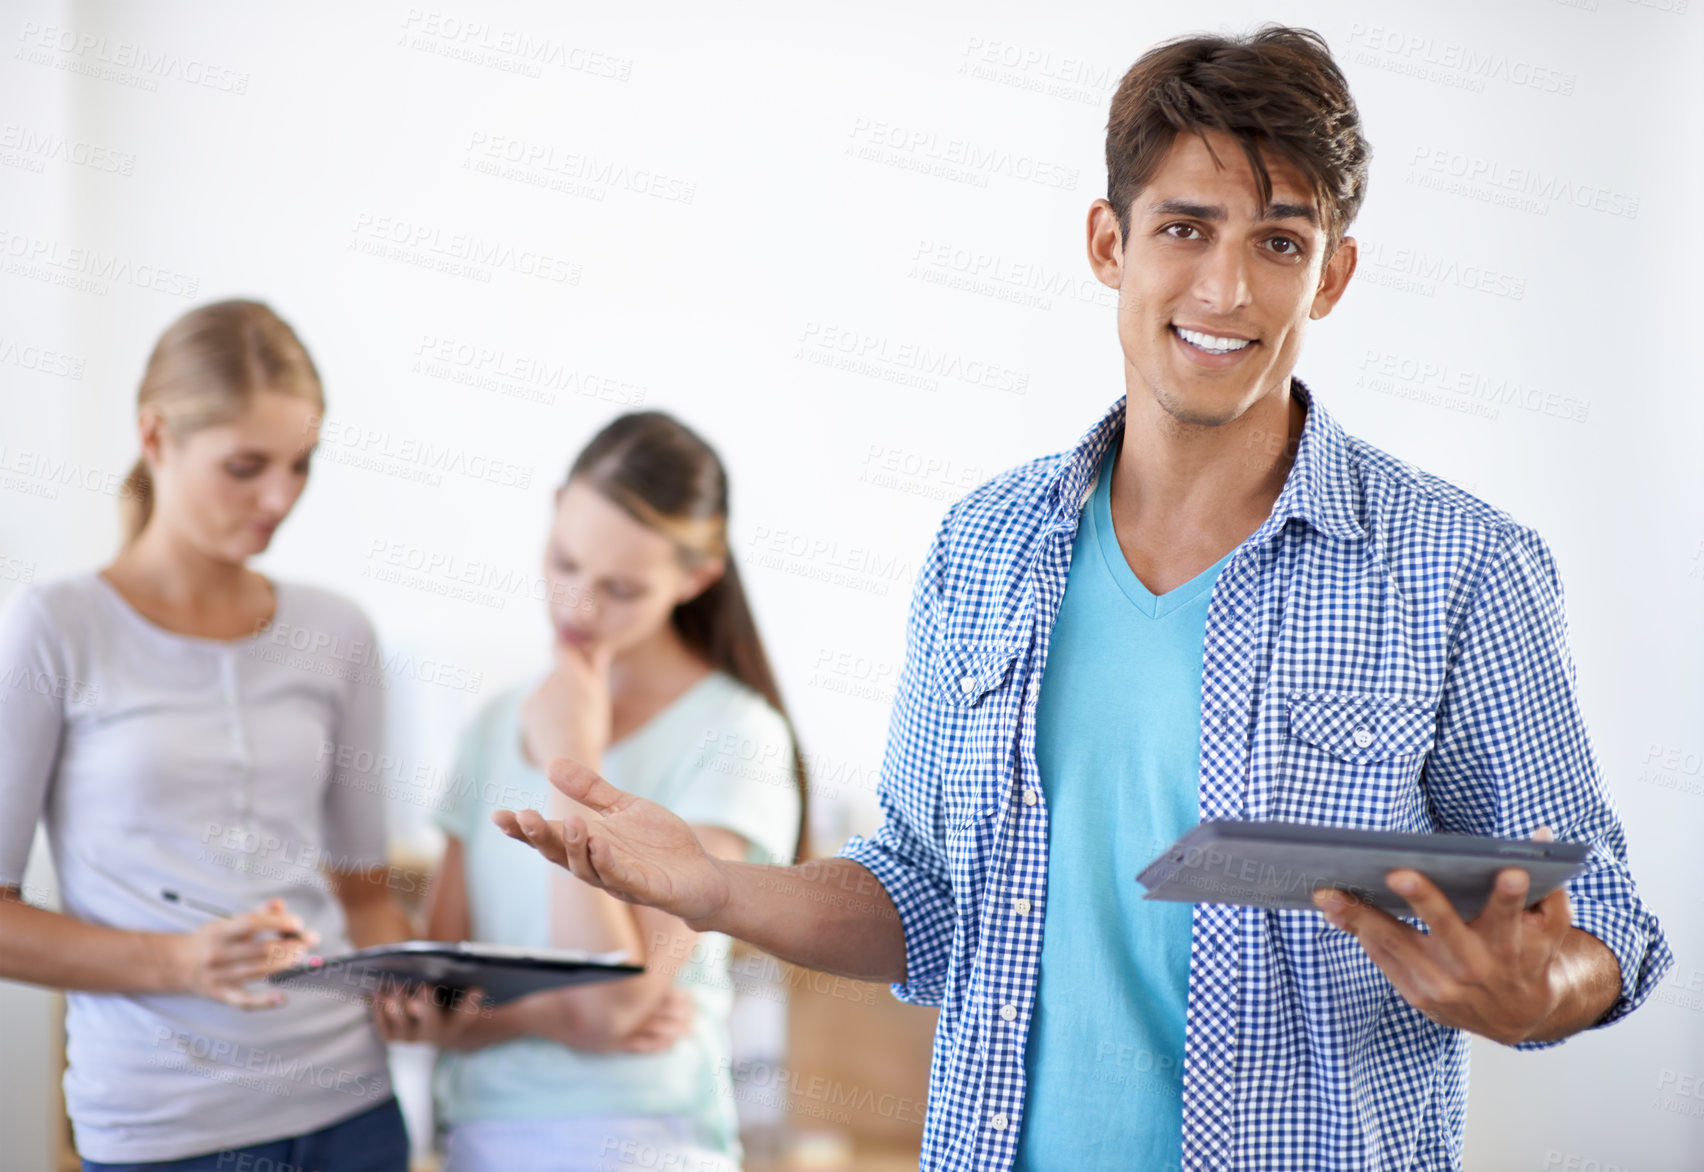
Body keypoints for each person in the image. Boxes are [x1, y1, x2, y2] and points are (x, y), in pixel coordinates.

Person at [488, 27, 1673, 1172]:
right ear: (1109, 241)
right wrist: (712, 888)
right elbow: (921, 897)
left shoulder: (1459, 566)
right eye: (1184, 228)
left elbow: (1603, 916)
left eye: (1278, 242)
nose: (1225, 287)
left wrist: (1546, 988)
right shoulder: (985, 548)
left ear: (1334, 271)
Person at [0, 300, 416, 1170]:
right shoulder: (58, 626)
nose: (280, 498)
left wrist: (408, 979)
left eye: (301, 465)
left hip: (354, 1111)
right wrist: (178, 962)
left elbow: (364, 893)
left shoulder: (337, 632)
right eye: (245, 466)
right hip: (165, 1128)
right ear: (155, 437)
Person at [371, 411, 805, 1172]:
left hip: (642, 1141)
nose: (577, 608)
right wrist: (549, 1019)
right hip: (478, 1137)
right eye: (564, 562)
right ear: (553, 509)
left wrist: (573, 756)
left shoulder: (737, 736)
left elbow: (609, 1005)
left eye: (621, 588)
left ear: (697, 575)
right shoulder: (493, 724)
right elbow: (449, 997)